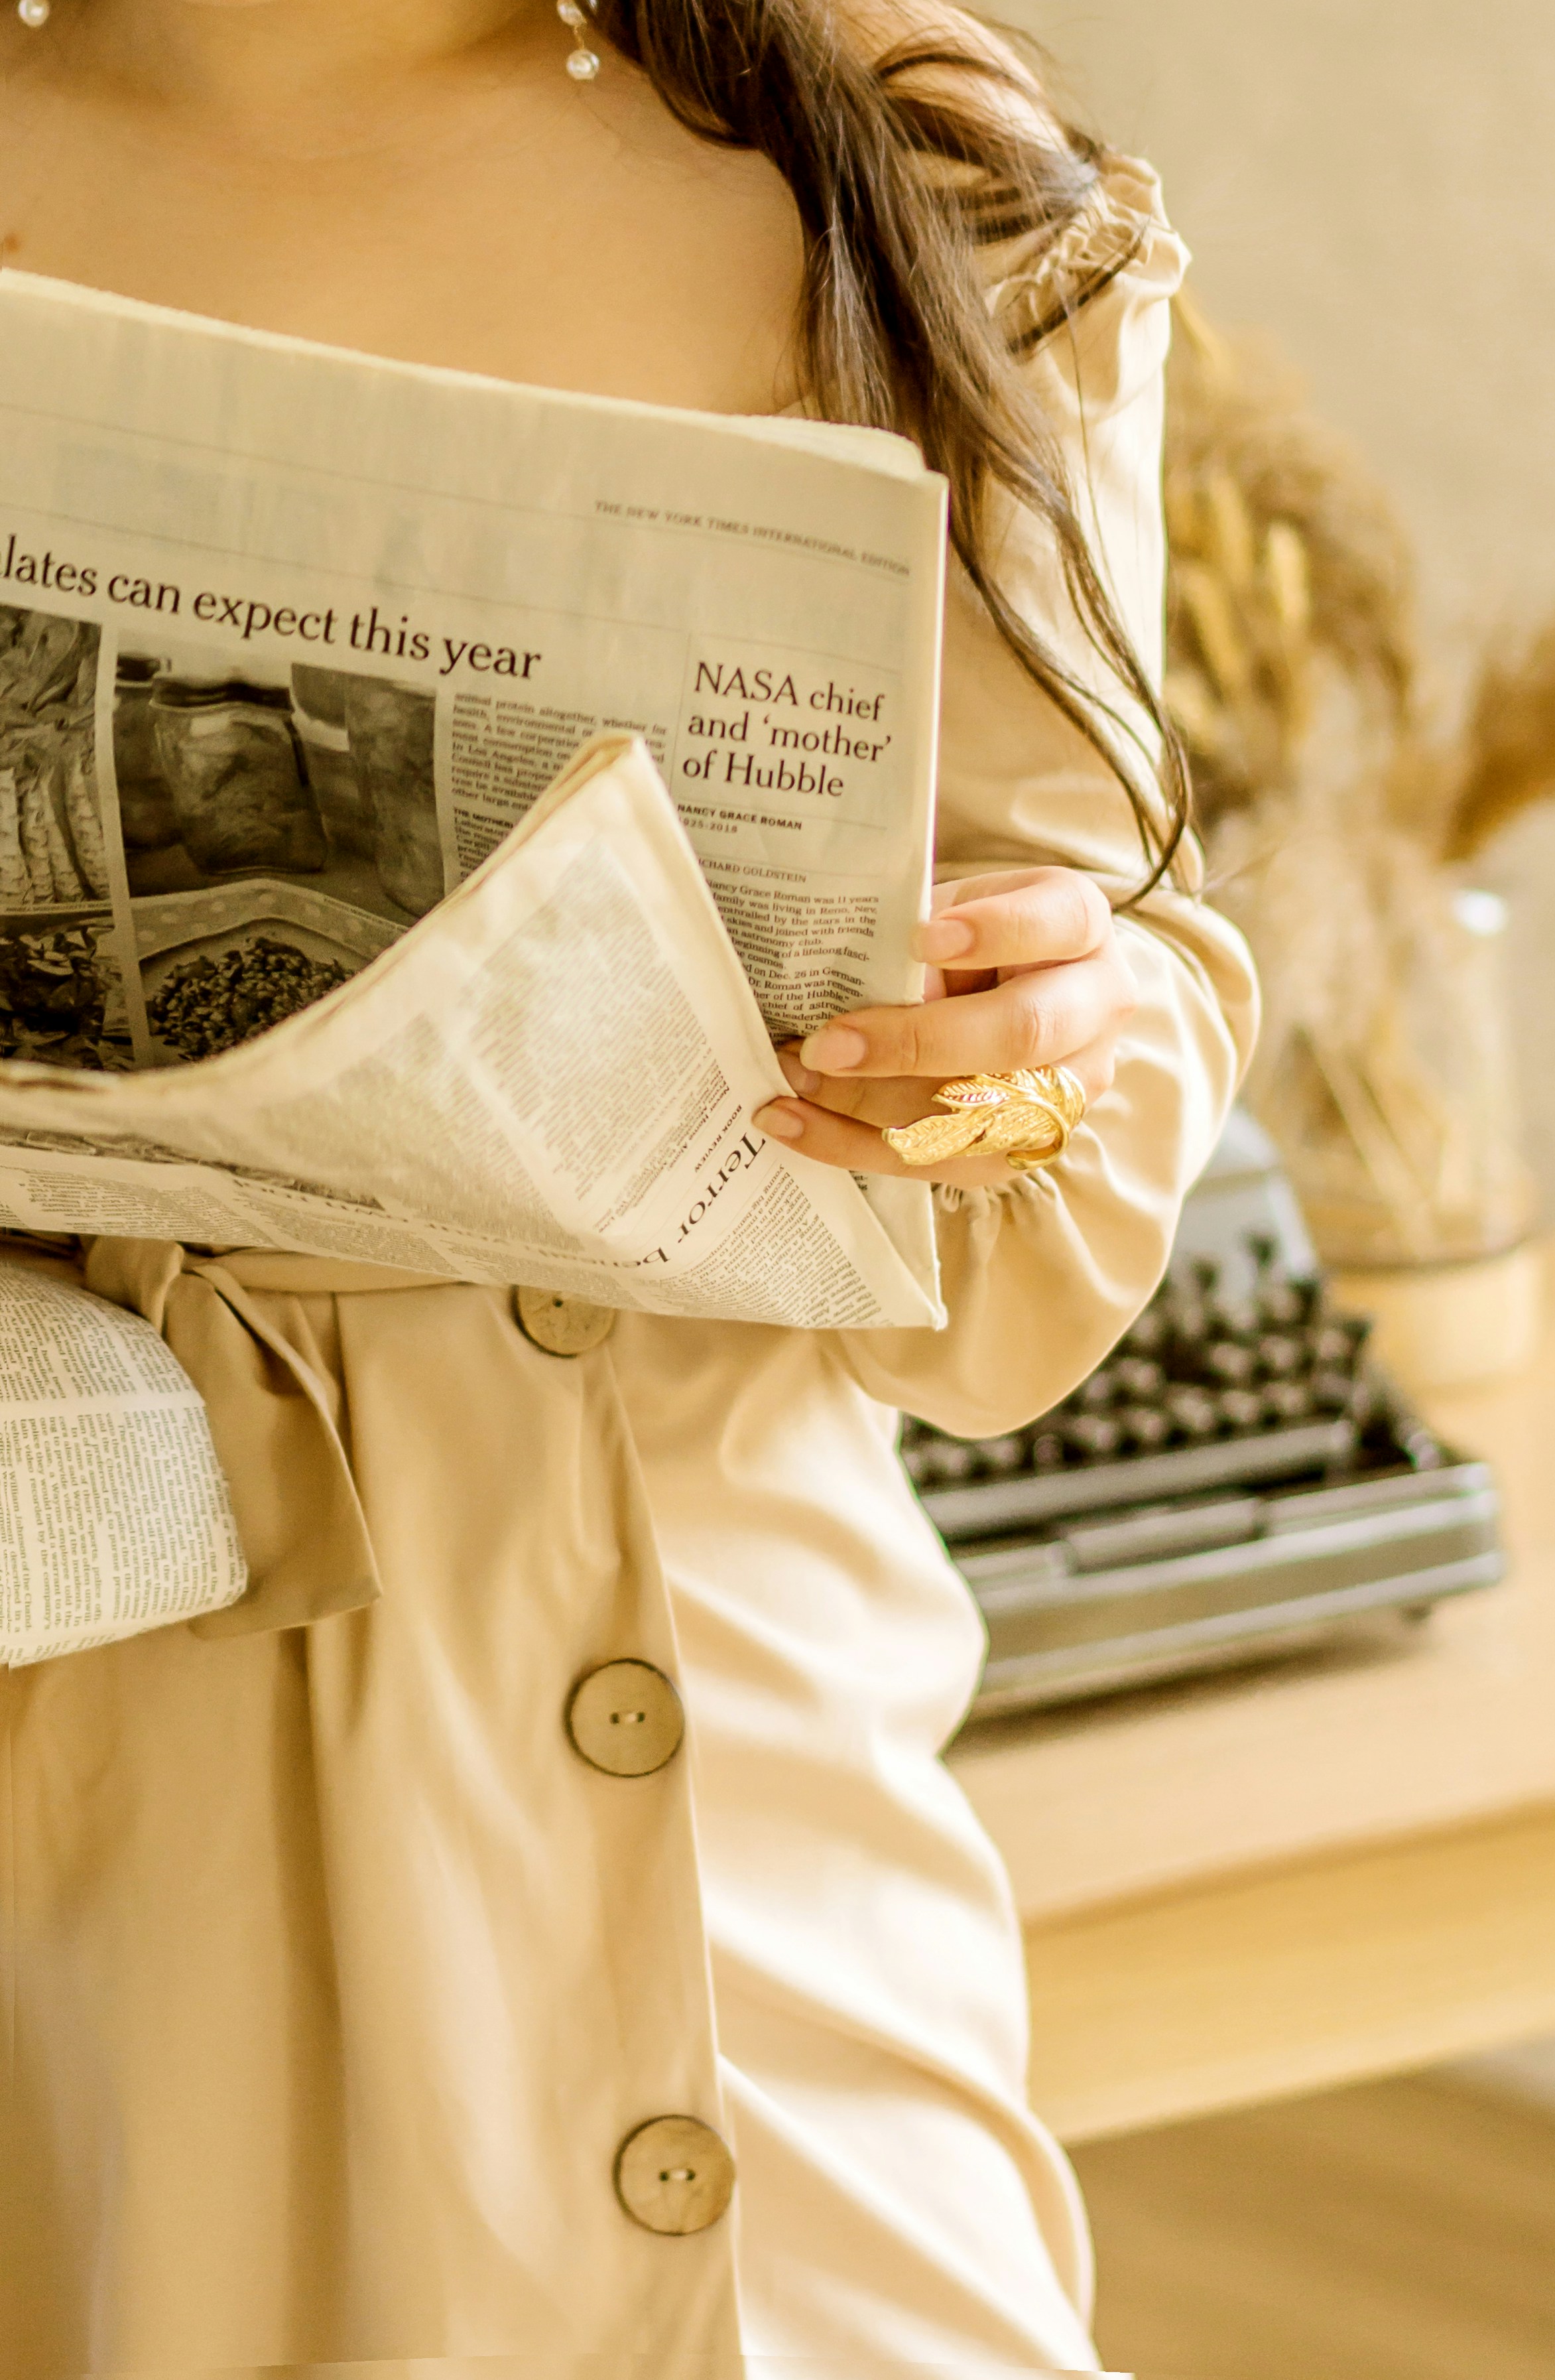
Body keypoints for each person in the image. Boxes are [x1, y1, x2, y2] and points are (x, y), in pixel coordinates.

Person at [0, 1, 1257, 2373]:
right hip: (96, 1788)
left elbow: (1034, 1197)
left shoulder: (904, 167)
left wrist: (1010, 1063)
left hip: (714, 1762)